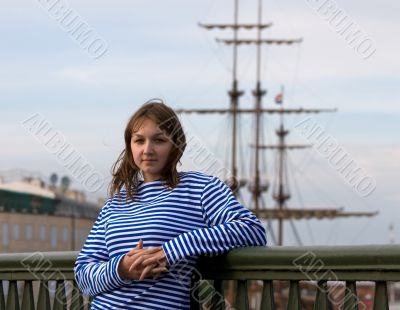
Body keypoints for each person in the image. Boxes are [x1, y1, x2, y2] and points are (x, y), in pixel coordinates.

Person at [74, 99, 267, 309]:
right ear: (130, 147)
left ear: (176, 144)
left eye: (159, 140)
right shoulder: (115, 203)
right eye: (139, 141)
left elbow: (252, 229)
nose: (147, 149)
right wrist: (122, 269)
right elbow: (83, 275)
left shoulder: (200, 188)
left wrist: (172, 250)